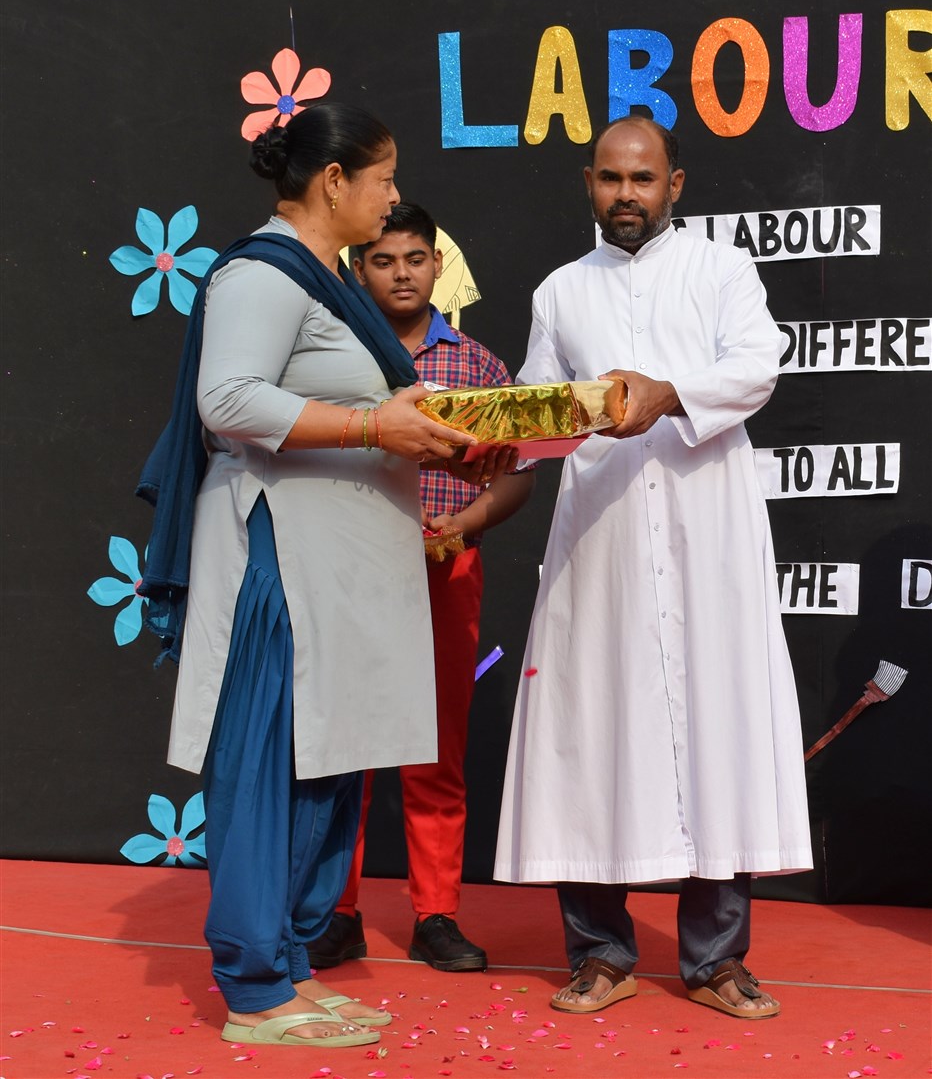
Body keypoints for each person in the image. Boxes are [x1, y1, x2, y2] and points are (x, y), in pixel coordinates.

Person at [136, 102, 498, 1048]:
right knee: (266, 766)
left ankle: (289, 964)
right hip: (279, 562)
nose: (392, 195)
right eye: (383, 178)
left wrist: (460, 434)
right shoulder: (263, 273)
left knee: (324, 768)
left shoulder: (329, 281)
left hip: (340, 574)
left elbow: (364, 407)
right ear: (333, 182)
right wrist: (380, 425)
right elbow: (228, 399)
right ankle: (255, 989)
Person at [493, 116, 813, 1019]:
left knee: (720, 726)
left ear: (676, 184)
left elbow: (757, 367)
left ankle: (715, 960)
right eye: (610, 179)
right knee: (592, 729)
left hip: (707, 534)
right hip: (601, 541)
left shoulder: (722, 270)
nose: (625, 194)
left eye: (643, 179)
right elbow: (544, 409)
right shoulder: (561, 291)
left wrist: (669, 393)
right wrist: (494, 434)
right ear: (588, 184)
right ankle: (601, 955)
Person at [306, 202, 534, 973]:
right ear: (357, 268)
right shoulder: (332, 358)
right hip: (349, 573)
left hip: (446, 571)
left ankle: (437, 914)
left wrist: (463, 524)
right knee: (345, 748)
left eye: (414, 259)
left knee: (435, 750)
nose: (401, 274)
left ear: (438, 265)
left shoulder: (480, 367)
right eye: (383, 260)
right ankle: (334, 913)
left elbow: (519, 475)